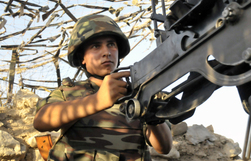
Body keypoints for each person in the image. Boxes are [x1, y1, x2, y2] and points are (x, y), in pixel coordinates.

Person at [33, 14, 172, 160]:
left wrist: (151, 115)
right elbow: (41, 121)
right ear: (82, 58)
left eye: (111, 44)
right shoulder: (69, 91)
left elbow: (164, 147)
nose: (107, 52)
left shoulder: (137, 94)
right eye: (96, 46)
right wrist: (96, 101)